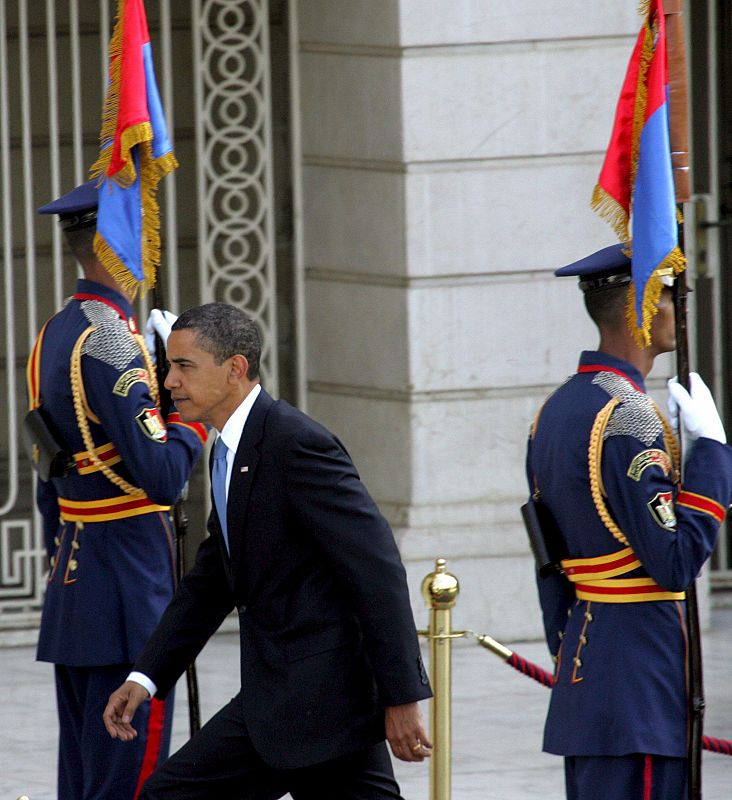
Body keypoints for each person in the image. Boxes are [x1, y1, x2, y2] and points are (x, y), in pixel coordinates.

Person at [102, 302, 433, 799]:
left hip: (325, 706)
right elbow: (214, 579)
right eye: (170, 366)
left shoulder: (296, 444)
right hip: (279, 704)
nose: (168, 381)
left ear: (235, 368)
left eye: (184, 366)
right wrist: (146, 676)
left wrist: (402, 696)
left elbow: (377, 570)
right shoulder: (227, 450)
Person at [525, 243, 732, 799]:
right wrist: (712, 453)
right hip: (640, 681)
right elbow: (674, 562)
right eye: (669, 293)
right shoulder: (631, 416)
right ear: (637, 306)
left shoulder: (557, 410)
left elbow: (550, 565)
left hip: (589, 675)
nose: (679, 305)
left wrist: (572, 657)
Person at [31, 181, 208, 800]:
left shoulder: (55, 332)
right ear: (121, 245)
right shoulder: (112, 341)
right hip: (127, 581)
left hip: (76, 581)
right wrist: (186, 417)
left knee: (83, 775)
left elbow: (47, 478)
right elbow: (160, 477)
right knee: (127, 777)